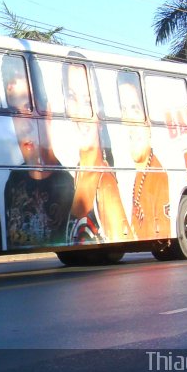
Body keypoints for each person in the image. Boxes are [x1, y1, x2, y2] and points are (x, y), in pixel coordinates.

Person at [2, 56, 74, 249]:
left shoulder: (67, 185)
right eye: (15, 112)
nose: (23, 125)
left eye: (28, 107)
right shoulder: (14, 181)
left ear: (47, 113)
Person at [64, 63, 132, 244]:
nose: (80, 113)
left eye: (88, 102)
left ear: (100, 114)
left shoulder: (105, 184)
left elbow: (120, 241)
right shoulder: (78, 172)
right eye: (72, 97)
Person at [117, 71, 171, 240]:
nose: (130, 121)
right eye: (124, 110)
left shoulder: (159, 178)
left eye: (135, 109)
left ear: (148, 121)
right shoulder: (136, 176)